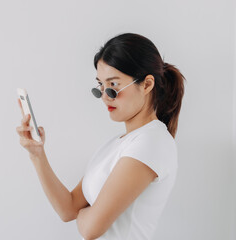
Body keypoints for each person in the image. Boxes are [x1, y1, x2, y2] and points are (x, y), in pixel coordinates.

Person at [16, 32, 185, 240]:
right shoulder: (116, 145)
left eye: (113, 87)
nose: (105, 97)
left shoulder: (152, 142)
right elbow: (68, 209)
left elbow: (90, 230)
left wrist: (86, 216)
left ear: (147, 84)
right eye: (101, 87)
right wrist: (37, 154)